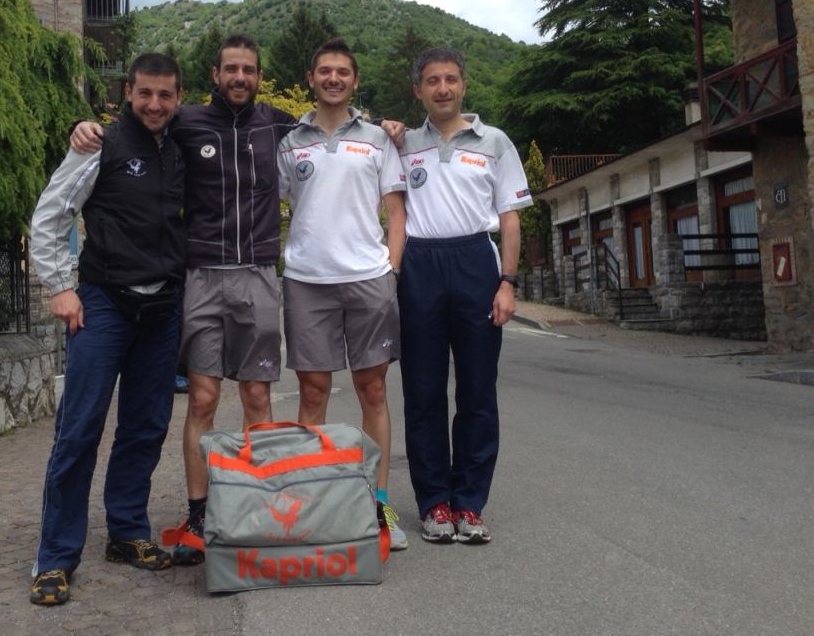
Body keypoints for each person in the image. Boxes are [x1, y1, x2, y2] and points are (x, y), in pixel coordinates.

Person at [70, 34, 407, 565]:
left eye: (249, 69)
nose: (240, 77)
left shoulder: (280, 125)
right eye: (231, 68)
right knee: (202, 399)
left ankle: (262, 505)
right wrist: (86, 126)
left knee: (256, 400)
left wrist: (388, 125)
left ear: (259, 75)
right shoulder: (184, 120)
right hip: (200, 273)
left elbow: (335, 117)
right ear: (215, 73)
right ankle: (200, 511)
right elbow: (139, 127)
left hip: (257, 275)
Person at [28, 53, 187, 605]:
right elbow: (51, 215)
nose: (155, 105)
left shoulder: (182, 147)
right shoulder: (100, 144)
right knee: (79, 431)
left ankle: (125, 532)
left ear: (179, 98)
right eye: (145, 93)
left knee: (145, 429)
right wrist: (59, 286)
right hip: (101, 306)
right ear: (128, 91)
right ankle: (54, 558)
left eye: (166, 95)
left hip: (163, 311)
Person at [396, 47, 532, 545]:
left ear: (464, 85)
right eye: (432, 81)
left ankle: (470, 504)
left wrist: (508, 283)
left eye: (451, 79)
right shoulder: (403, 144)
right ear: (419, 90)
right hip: (421, 266)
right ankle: (434, 503)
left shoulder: (495, 142)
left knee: (477, 393)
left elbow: (511, 217)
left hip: (477, 262)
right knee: (424, 393)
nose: (443, 89)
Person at [276, 38, 408, 550]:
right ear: (311, 78)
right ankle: (312, 507)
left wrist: (390, 273)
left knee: (371, 392)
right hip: (307, 281)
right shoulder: (290, 142)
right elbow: (272, 203)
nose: (334, 78)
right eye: (324, 70)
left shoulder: (379, 139)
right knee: (312, 394)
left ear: (354, 80)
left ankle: (379, 508)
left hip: (368, 280)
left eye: (343, 72)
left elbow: (396, 214)